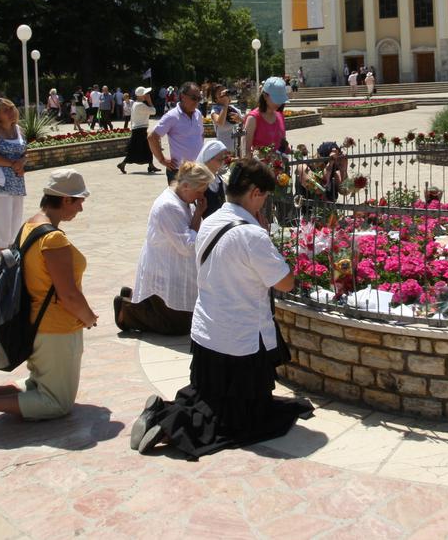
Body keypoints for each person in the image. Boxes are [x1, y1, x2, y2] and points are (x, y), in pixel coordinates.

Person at [130, 158, 310, 457]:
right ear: (254, 192)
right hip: (240, 339)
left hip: (207, 333)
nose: (264, 204)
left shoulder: (211, 219)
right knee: (242, 418)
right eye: (264, 196)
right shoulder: (251, 235)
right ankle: (168, 423)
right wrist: (267, 239)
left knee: (209, 397)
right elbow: (285, 283)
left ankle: (164, 412)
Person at [0, 170, 98, 435]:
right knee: (57, 403)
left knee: (40, 381)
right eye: (78, 201)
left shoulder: (31, 225)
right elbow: (68, 294)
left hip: (35, 324)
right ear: (64, 200)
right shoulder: (53, 239)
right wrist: (88, 317)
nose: (81, 208)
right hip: (56, 328)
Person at [114, 161, 213, 335]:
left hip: (172, 266)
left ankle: (137, 300)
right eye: (199, 190)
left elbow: (190, 232)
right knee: (176, 327)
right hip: (163, 267)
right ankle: (127, 310)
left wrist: (198, 214)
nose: (201, 195)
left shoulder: (184, 200)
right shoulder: (169, 206)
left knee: (187, 320)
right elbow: (187, 246)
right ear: (186, 186)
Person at [0, 97, 28, 249]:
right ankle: (3, 253)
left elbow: (24, 152)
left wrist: (22, 162)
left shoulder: (19, 129)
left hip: (17, 180)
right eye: (5, 110)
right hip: (0, 182)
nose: (11, 112)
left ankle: (13, 249)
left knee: (16, 219)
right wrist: (13, 164)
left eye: (12, 108)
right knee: (3, 221)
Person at [149, 81, 205, 184]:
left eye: (199, 98)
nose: (197, 101)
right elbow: (152, 137)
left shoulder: (198, 114)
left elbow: (201, 135)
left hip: (197, 169)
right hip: (179, 171)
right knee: (179, 200)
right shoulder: (172, 116)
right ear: (183, 96)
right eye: (194, 98)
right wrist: (162, 159)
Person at [240, 77, 290, 158]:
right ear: (265, 96)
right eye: (276, 99)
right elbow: (246, 151)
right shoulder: (253, 119)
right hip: (260, 168)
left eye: (281, 100)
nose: (280, 103)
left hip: (281, 167)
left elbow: (283, 144)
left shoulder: (280, 115)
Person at [118, 86, 160, 175]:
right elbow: (153, 111)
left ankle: (151, 165)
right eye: (145, 94)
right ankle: (123, 164)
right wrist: (149, 101)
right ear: (141, 95)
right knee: (134, 149)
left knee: (147, 148)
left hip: (139, 129)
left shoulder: (136, 104)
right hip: (139, 130)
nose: (147, 95)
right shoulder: (140, 105)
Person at [199, 139, 232, 220]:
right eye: (220, 159)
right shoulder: (199, 182)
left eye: (224, 158)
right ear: (208, 159)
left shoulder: (219, 180)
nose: (223, 162)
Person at [210, 86, 242, 153]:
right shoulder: (215, 110)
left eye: (225, 92)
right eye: (221, 94)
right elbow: (220, 123)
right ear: (216, 99)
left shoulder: (234, 109)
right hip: (223, 151)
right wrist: (225, 105)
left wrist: (239, 119)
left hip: (237, 149)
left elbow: (244, 123)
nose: (224, 95)